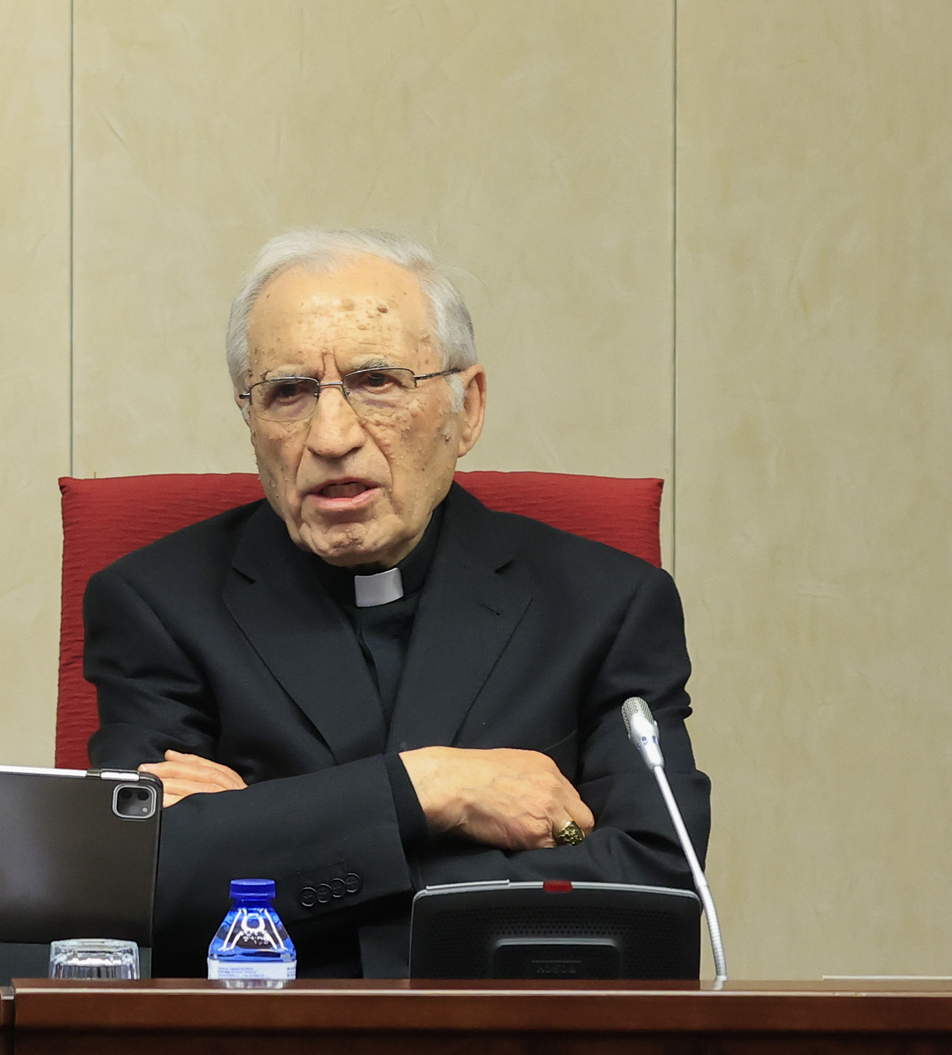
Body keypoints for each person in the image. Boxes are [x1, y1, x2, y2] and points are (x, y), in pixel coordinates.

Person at [81, 228, 709, 977]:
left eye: (376, 380)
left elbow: (657, 885)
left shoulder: (604, 604)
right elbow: (142, 887)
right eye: (288, 392)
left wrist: (273, 830)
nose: (332, 435)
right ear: (250, 419)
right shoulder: (157, 604)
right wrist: (433, 787)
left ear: (465, 408)